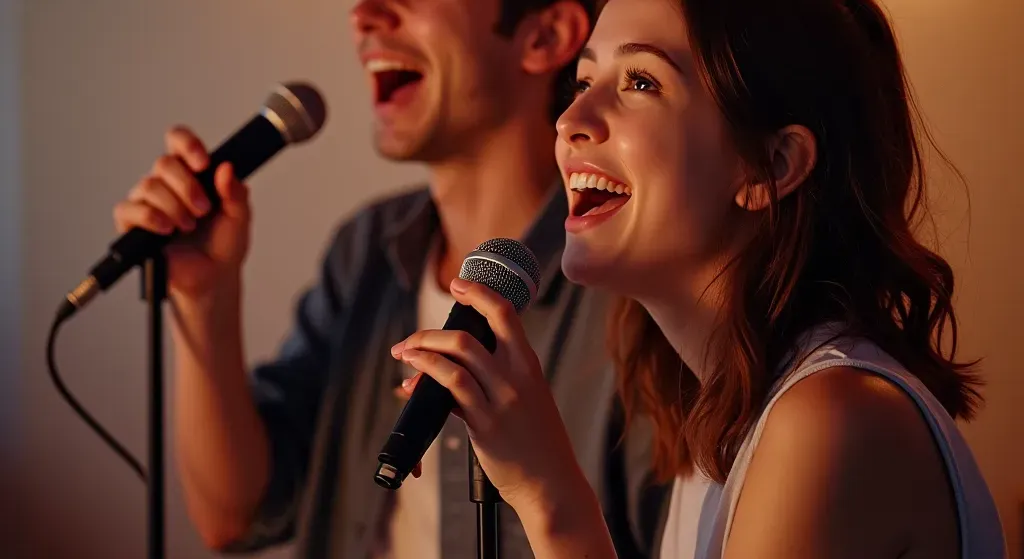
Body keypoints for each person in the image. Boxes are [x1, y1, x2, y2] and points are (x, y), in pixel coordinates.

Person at [389, 0, 1008, 557]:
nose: (572, 117)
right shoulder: (713, 430)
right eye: (583, 80)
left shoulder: (831, 420)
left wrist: (547, 496)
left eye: (639, 81)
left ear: (773, 164)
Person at [110, 0, 669, 558]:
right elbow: (237, 516)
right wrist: (205, 297)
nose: (364, 14)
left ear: (544, 36)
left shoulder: (631, 290)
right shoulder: (363, 254)